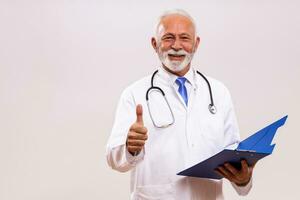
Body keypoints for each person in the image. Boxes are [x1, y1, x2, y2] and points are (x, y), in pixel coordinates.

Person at [106, 9, 255, 200]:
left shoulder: (218, 92)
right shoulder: (134, 94)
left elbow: (233, 154)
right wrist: (129, 147)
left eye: (184, 38)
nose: (177, 46)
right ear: (155, 43)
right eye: (168, 38)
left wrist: (242, 179)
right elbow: (113, 158)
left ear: (196, 44)